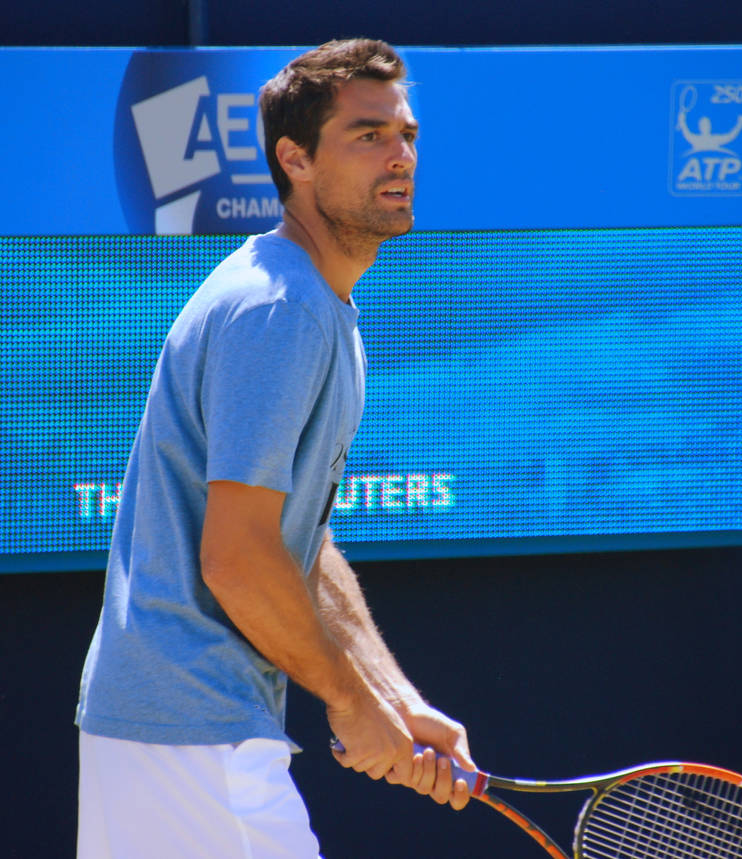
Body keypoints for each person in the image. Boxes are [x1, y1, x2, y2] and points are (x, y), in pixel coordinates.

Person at [75, 38, 474, 859]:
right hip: (194, 739)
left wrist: (392, 698)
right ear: (294, 158)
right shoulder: (281, 310)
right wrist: (346, 699)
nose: (400, 155)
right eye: (368, 135)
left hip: (172, 734)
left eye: (407, 134)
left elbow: (298, 540)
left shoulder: (309, 302)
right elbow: (240, 556)